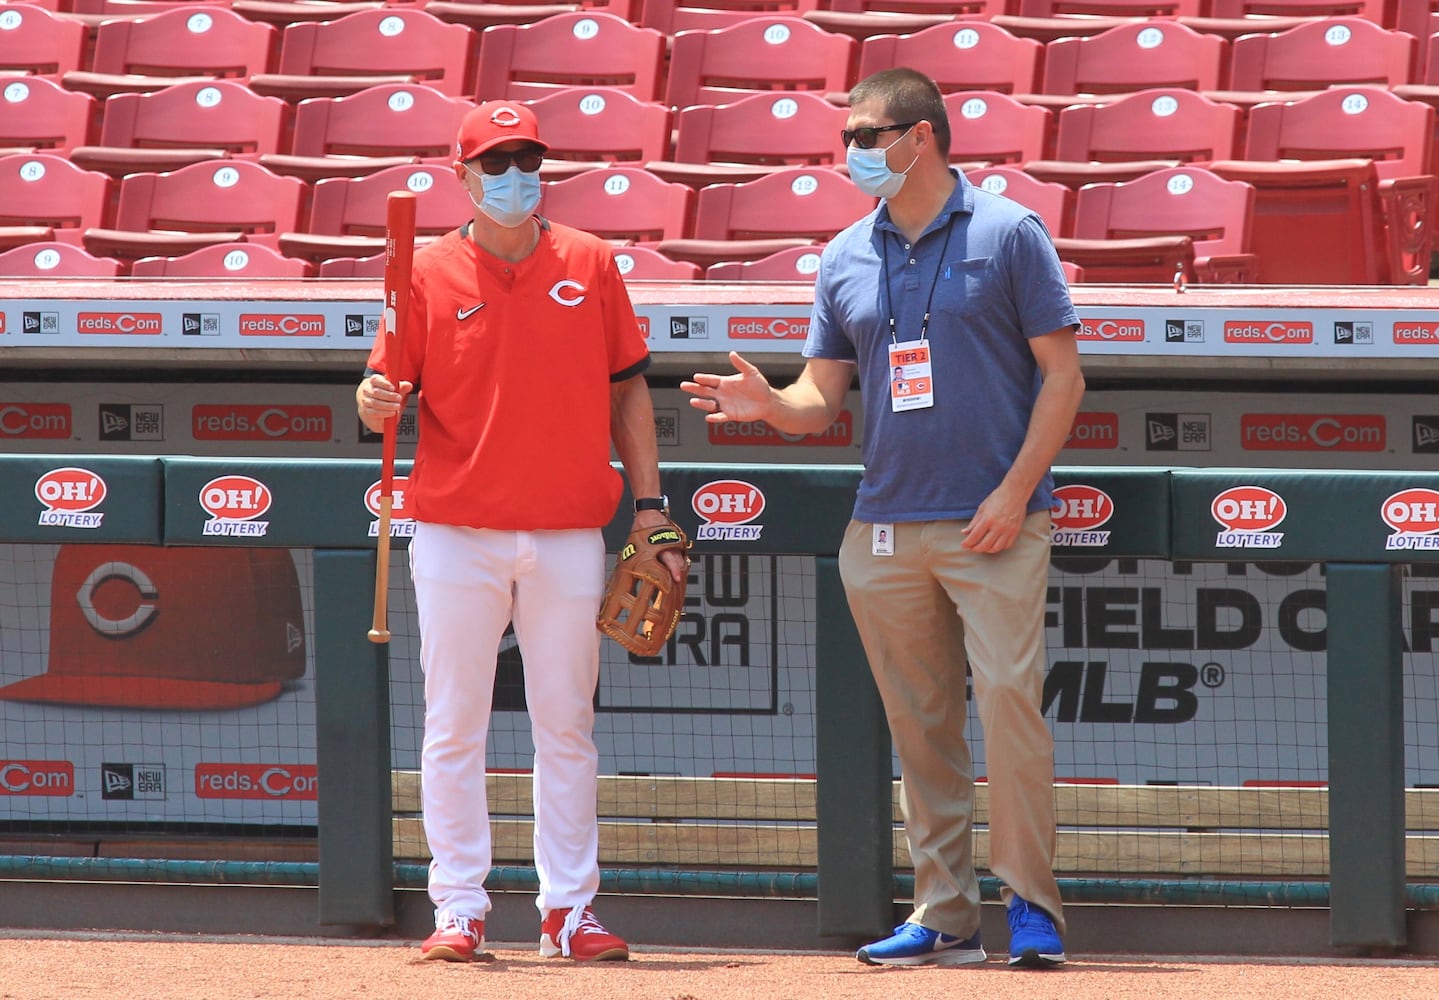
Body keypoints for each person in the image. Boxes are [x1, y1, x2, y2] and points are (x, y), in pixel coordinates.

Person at [682, 67, 1084, 969]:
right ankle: (944, 914)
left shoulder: (1007, 231)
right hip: (886, 525)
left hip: (994, 522)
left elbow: (1064, 378)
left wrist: (1015, 494)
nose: (854, 154)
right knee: (920, 726)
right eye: (849, 140)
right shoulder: (843, 255)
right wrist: (766, 407)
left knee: (1012, 709)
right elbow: (819, 400)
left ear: (922, 136)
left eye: (867, 136)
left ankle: (1031, 907)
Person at [356, 100, 686, 964]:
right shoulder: (421, 270)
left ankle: (568, 911)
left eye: (526, 160)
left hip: (571, 529)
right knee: (452, 723)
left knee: (565, 726)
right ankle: (459, 906)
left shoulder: (590, 259)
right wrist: (371, 401)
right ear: (461, 176)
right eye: (494, 163)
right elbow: (379, 391)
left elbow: (628, 391)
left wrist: (649, 508)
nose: (514, 177)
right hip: (455, 527)